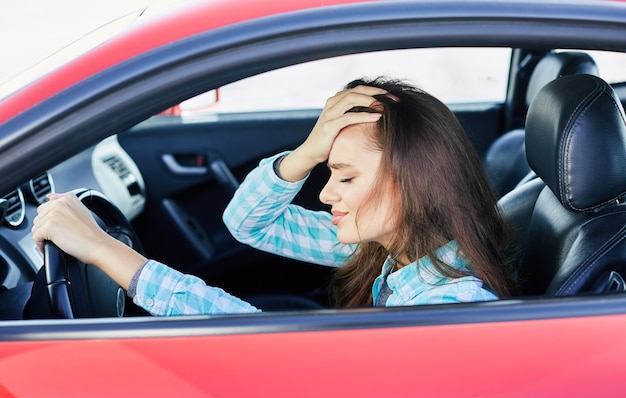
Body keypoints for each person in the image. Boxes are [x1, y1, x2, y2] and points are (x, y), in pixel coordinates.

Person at [31, 76, 515, 316]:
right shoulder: (390, 249)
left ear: (414, 185)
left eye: (346, 178)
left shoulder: (447, 308)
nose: (326, 193)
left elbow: (266, 345)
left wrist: (104, 251)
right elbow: (248, 223)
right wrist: (308, 149)